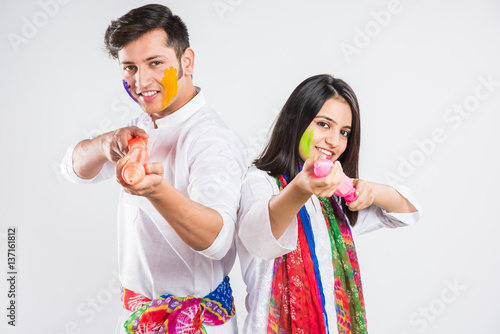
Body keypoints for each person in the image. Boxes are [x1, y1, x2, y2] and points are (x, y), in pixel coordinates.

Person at [61, 4, 246, 333]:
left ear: (186, 62)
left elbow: (218, 239)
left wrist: (158, 193)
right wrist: (106, 144)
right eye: (129, 67)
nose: (140, 80)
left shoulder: (211, 137)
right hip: (138, 317)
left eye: (155, 63)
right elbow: (72, 170)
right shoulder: (141, 124)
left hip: (195, 324)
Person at [236, 74, 421, 333]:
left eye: (344, 132)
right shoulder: (260, 183)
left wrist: (369, 191)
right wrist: (301, 187)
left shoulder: (334, 201)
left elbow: (408, 211)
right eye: (324, 124)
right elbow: (260, 238)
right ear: (295, 123)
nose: (334, 142)